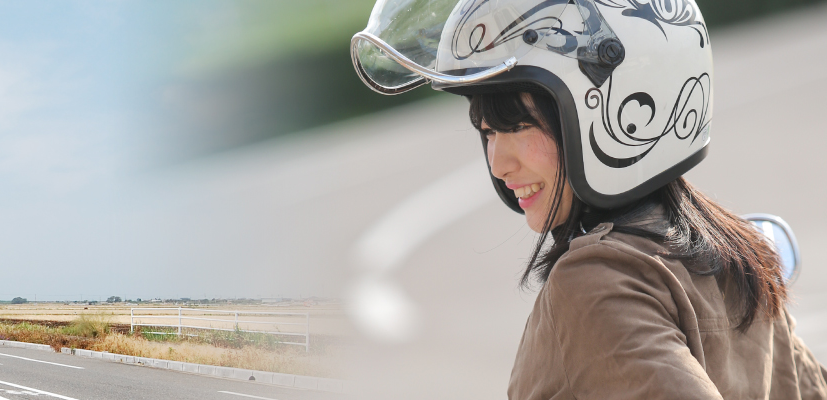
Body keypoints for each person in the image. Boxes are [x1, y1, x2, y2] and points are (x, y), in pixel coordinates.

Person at [351, 0, 826, 398]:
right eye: (488, 130)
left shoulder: (594, 283)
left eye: (517, 126)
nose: (498, 163)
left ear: (621, 105)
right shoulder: (736, 249)